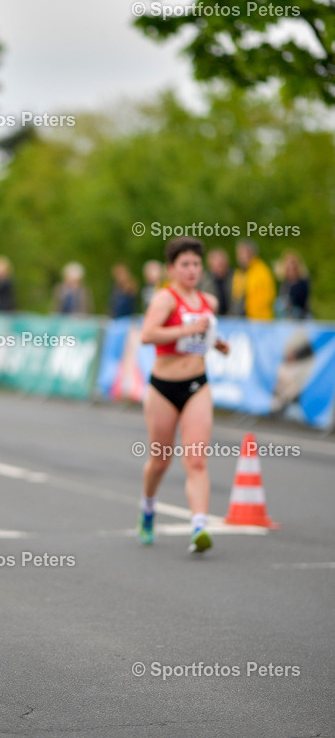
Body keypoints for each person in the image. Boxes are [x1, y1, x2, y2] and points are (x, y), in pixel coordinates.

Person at [138, 237, 229, 554]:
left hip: (197, 386)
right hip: (163, 388)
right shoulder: (166, 299)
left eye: (195, 264)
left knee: (196, 460)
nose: (192, 270)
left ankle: (199, 526)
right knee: (160, 461)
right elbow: (147, 335)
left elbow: (206, 333)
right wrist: (186, 330)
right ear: (172, 269)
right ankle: (148, 506)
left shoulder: (209, 301)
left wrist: (218, 344)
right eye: (185, 265)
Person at [230, 240, 276, 319]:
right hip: (243, 319)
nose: (239, 257)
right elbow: (236, 297)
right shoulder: (240, 272)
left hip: (259, 320)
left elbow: (268, 298)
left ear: (251, 253)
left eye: (242, 253)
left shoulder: (262, 271)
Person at [275, 251, 311, 319]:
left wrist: (291, 301)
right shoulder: (285, 282)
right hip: (286, 315)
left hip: (300, 314)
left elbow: (303, 301)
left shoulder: (303, 282)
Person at [201, 248, 232, 316]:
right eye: (218, 264)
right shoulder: (204, 280)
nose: (220, 266)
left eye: (222, 263)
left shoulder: (234, 278)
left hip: (232, 319)